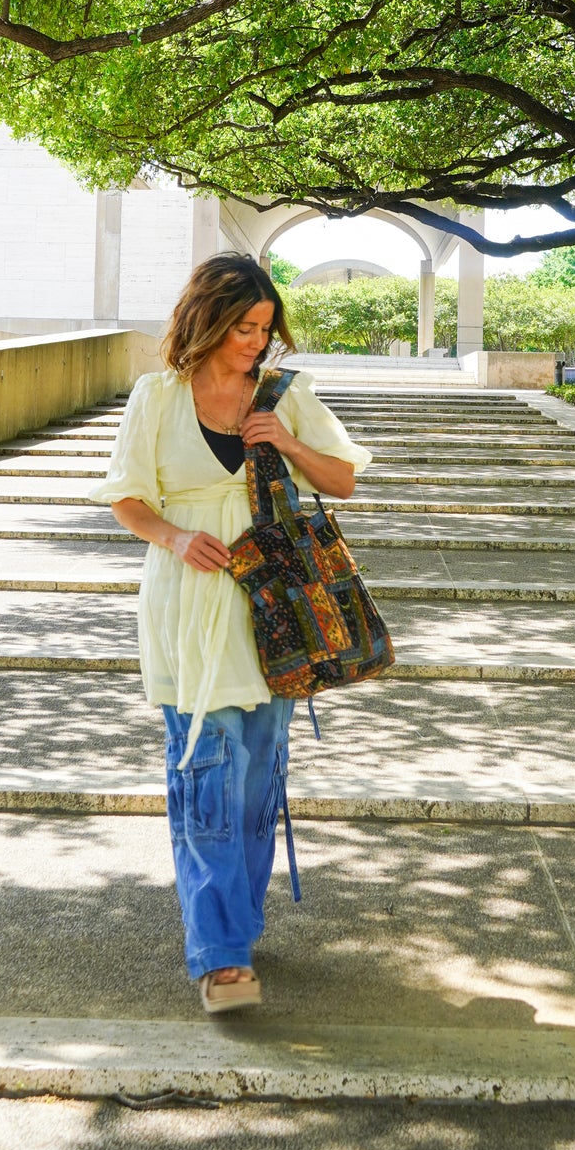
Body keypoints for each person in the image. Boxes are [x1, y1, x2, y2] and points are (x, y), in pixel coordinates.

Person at [96, 253, 372, 1014]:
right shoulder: (157, 397)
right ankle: (219, 957)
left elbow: (343, 479)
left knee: (255, 778)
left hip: (273, 609)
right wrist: (177, 538)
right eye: (242, 328)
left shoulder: (287, 395)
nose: (255, 341)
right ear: (208, 320)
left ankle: (236, 931)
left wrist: (283, 441)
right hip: (188, 604)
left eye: (263, 328)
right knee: (204, 773)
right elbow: (126, 499)